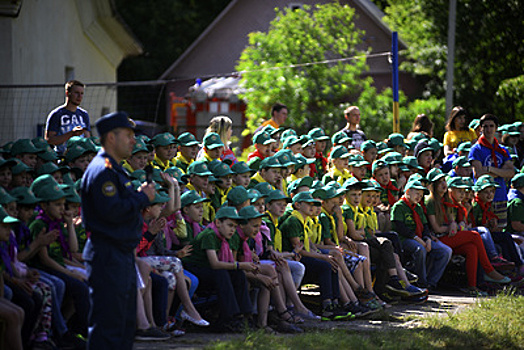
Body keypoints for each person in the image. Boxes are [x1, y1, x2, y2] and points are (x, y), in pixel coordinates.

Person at [81, 112, 156, 349]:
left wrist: (137, 196)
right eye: (128, 135)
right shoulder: (103, 171)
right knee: (109, 326)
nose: (134, 141)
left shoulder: (115, 169)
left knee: (124, 325)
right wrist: (142, 198)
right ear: (111, 138)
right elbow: (112, 212)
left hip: (120, 255)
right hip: (107, 254)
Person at [469, 114, 515, 228]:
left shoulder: (502, 150)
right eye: (485, 126)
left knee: (500, 230)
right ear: (480, 129)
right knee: (486, 232)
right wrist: (500, 172)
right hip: (483, 200)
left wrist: (489, 169)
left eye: (491, 126)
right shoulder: (476, 149)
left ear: (496, 128)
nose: (488, 129)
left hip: (500, 195)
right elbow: (478, 174)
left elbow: (511, 173)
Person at [45, 80, 91, 155]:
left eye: (82, 93)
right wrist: (71, 134)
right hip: (62, 156)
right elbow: (49, 140)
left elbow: (87, 138)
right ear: (67, 93)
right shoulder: (57, 114)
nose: (79, 96)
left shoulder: (84, 114)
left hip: (81, 157)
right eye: (76, 93)